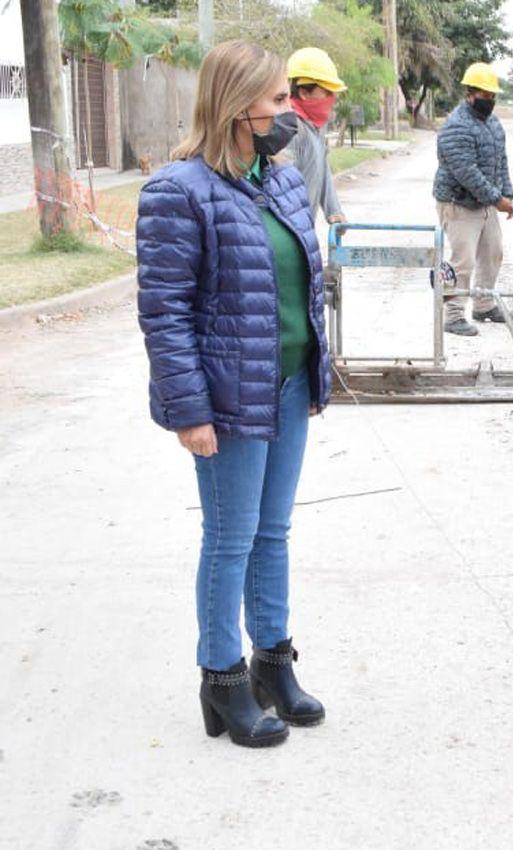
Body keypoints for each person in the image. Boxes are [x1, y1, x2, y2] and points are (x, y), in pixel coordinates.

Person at [136, 40, 331, 746]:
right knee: (230, 538)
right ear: (236, 104)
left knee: (273, 533)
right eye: (278, 100)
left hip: (287, 385)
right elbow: (164, 311)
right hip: (227, 399)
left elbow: (303, 287)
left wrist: (315, 373)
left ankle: (271, 665)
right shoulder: (178, 191)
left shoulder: (281, 181)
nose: (289, 112)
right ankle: (220, 678)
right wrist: (189, 412)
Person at [432, 61, 513, 337]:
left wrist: (507, 192)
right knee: (463, 260)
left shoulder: (493, 124)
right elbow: (467, 172)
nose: (489, 100)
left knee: (493, 252)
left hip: (486, 203)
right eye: (484, 95)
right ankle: (454, 315)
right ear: (470, 93)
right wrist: (496, 198)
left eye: (492, 95)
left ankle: (484, 304)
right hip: (458, 204)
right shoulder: (456, 127)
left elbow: (501, 161)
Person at [284, 47, 347, 227]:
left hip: (305, 227)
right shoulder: (290, 129)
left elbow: (322, 166)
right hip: (292, 227)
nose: (332, 98)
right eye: (327, 92)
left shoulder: (316, 125)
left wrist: (333, 210)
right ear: (304, 92)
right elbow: (283, 187)